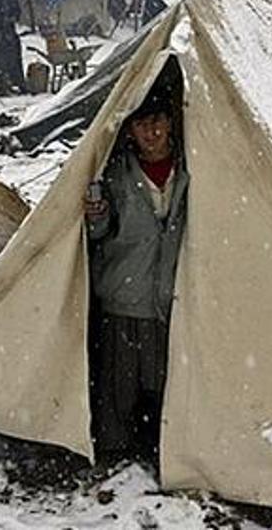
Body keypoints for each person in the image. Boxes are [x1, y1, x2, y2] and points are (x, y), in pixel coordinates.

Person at [85, 58, 188, 466]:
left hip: (168, 295)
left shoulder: (191, 170)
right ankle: (115, 450)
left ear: (170, 123)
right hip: (123, 294)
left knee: (164, 380)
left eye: (158, 121)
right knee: (119, 384)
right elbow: (99, 233)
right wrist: (95, 217)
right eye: (142, 124)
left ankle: (164, 448)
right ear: (130, 131)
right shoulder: (116, 174)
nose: (152, 132)